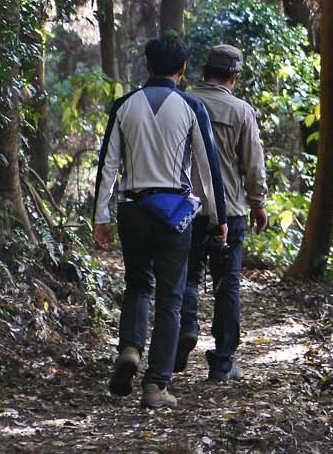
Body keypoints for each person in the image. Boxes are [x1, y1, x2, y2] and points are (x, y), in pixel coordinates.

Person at [92, 36, 228, 409]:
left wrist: (101, 216)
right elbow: (207, 167)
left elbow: (108, 165)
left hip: (133, 209)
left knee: (137, 284)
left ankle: (131, 349)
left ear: (148, 67)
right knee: (170, 298)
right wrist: (218, 218)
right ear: (182, 70)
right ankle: (156, 385)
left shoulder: (124, 106)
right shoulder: (191, 106)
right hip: (174, 213)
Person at [177, 43, 269, 381]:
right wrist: (258, 202)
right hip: (229, 211)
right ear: (234, 76)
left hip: (184, 207)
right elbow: (252, 163)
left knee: (185, 275)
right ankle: (223, 361)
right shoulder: (241, 111)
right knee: (226, 283)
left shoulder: (182, 101)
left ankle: (185, 327)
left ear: (203, 70)